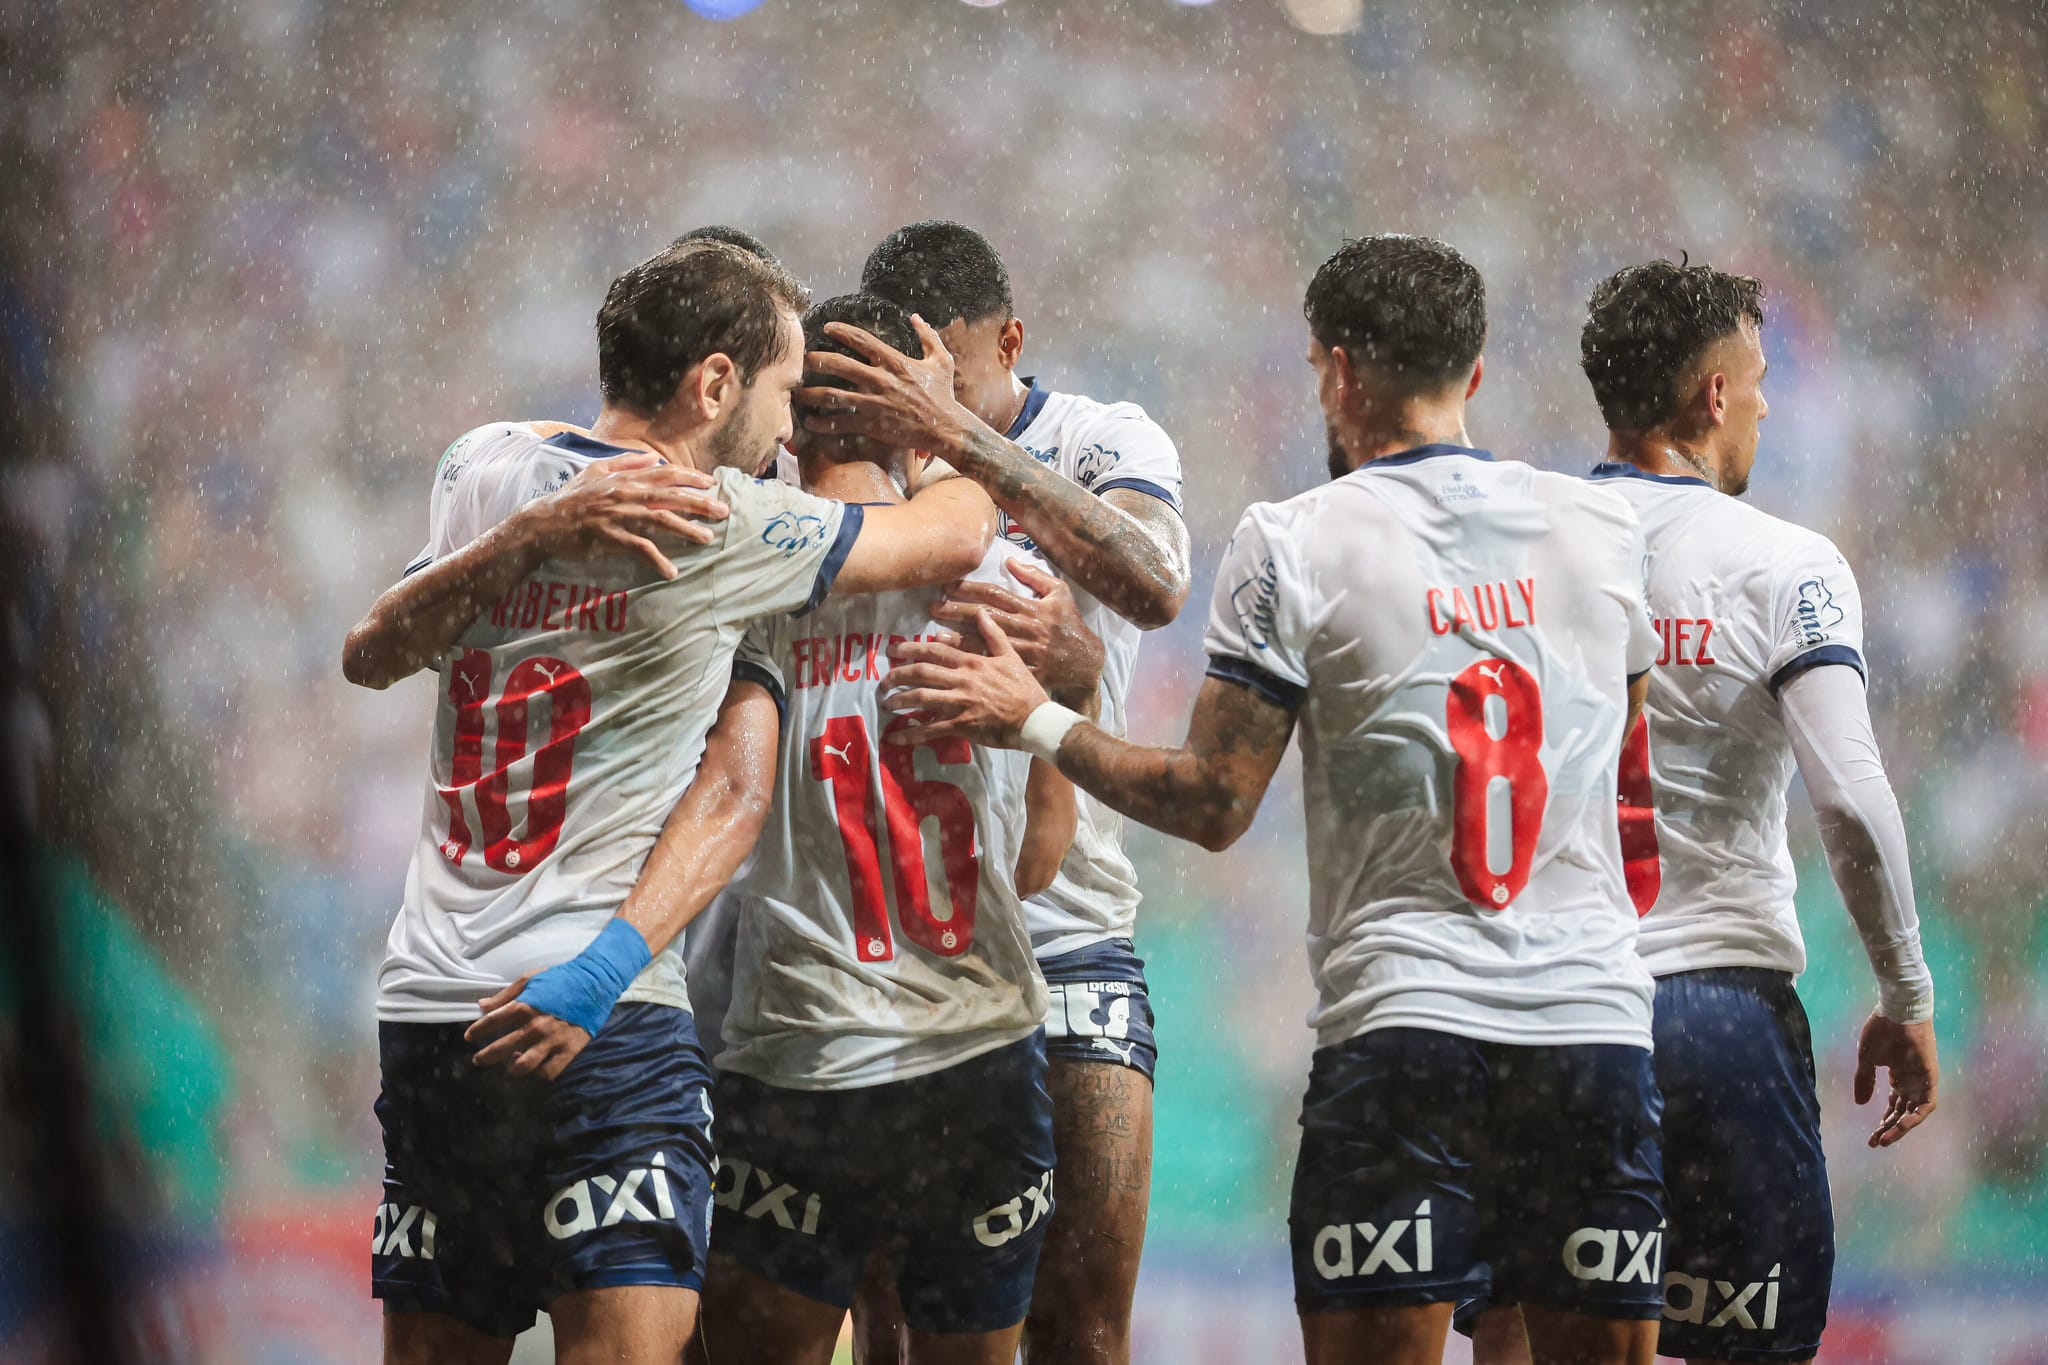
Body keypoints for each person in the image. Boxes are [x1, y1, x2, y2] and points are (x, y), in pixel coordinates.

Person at [878, 235, 1670, 1365]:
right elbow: (1624, 771)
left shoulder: (1295, 538)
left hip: (1404, 1022)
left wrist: (1038, 719)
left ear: (1336, 372)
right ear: (1476, 373)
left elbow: (1212, 803)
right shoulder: (1603, 533)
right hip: (1590, 1026)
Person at [346, 238, 1001, 1365]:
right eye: (785, 393)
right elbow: (955, 533)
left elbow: (370, 653)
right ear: (712, 385)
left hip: (435, 1011)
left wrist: (520, 542)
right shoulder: (718, 524)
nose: (792, 431)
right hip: (603, 1016)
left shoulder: (486, 464)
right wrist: (943, 426)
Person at [1467, 259, 1941, 1365]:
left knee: (1520, 1341)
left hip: (1545, 1010)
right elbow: (1853, 807)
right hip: (1709, 1014)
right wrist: (1904, 990)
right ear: (1711, 397)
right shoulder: (1782, 565)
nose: (1769, 404)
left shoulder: (1503, 549)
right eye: (1759, 378)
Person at [813, 220, 1191, 1364]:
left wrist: (955, 438)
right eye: (906, 382)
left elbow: (1156, 580)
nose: (928, 402)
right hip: (905, 943)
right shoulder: (857, 478)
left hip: (1065, 929)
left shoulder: (1102, 436)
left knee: (1079, 1329)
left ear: (1009, 339)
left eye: (954, 375)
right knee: (900, 1329)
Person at [700, 291, 1083, 1365]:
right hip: (974, 1055)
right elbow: (1041, 859)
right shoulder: (1006, 582)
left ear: (799, 416)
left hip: (800, 1054)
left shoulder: (747, 582)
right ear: (919, 408)